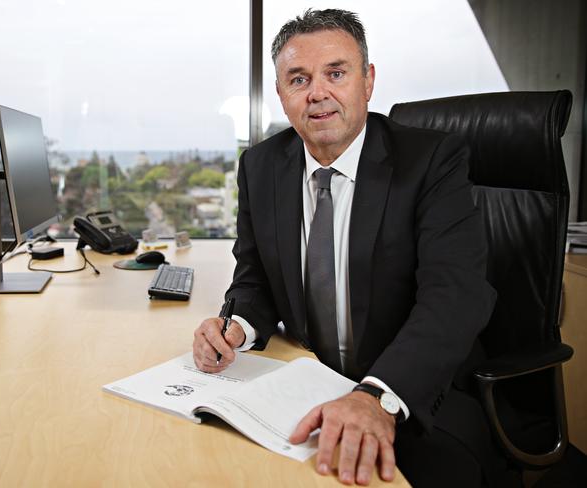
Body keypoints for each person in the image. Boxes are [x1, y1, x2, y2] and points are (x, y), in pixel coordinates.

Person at [193, 8, 503, 487]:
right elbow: (255, 276)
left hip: (413, 388)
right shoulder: (261, 166)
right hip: (307, 381)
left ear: (368, 81)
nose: (318, 93)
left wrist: (376, 396)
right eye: (299, 79)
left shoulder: (431, 161)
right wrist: (236, 327)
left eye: (336, 73)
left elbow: (455, 296)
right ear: (281, 94)